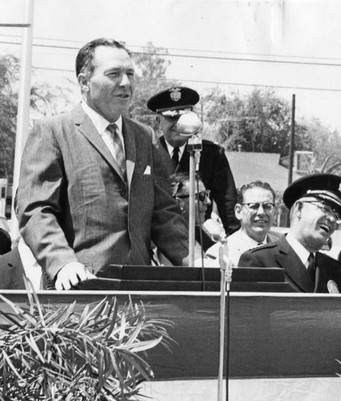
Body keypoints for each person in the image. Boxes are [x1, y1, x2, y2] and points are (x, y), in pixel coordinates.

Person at [17, 38, 189, 290]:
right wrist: (61, 263)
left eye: (130, 74)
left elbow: (164, 213)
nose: (126, 83)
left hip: (140, 292)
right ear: (84, 82)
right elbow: (35, 210)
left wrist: (195, 260)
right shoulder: (52, 132)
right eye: (114, 74)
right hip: (79, 291)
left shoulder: (145, 137)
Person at [147, 86, 239, 242]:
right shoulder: (147, 152)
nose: (178, 124)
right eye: (171, 118)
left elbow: (227, 203)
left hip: (198, 239)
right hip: (156, 238)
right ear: (158, 122)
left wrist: (237, 243)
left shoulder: (211, 154)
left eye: (184, 117)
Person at [238, 174, 341, 293]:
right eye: (325, 208)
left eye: (336, 215)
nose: (332, 219)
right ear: (299, 209)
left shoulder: (336, 270)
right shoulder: (260, 261)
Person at [204, 181, 282, 267]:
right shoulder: (220, 253)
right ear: (238, 211)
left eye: (267, 206)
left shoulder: (284, 245)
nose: (261, 212)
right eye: (254, 206)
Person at [157, 171, 223, 265]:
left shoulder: (206, 235)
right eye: (201, 196)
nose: (208, 202)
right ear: (178, 203)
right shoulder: (170, 244)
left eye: (207, 195)